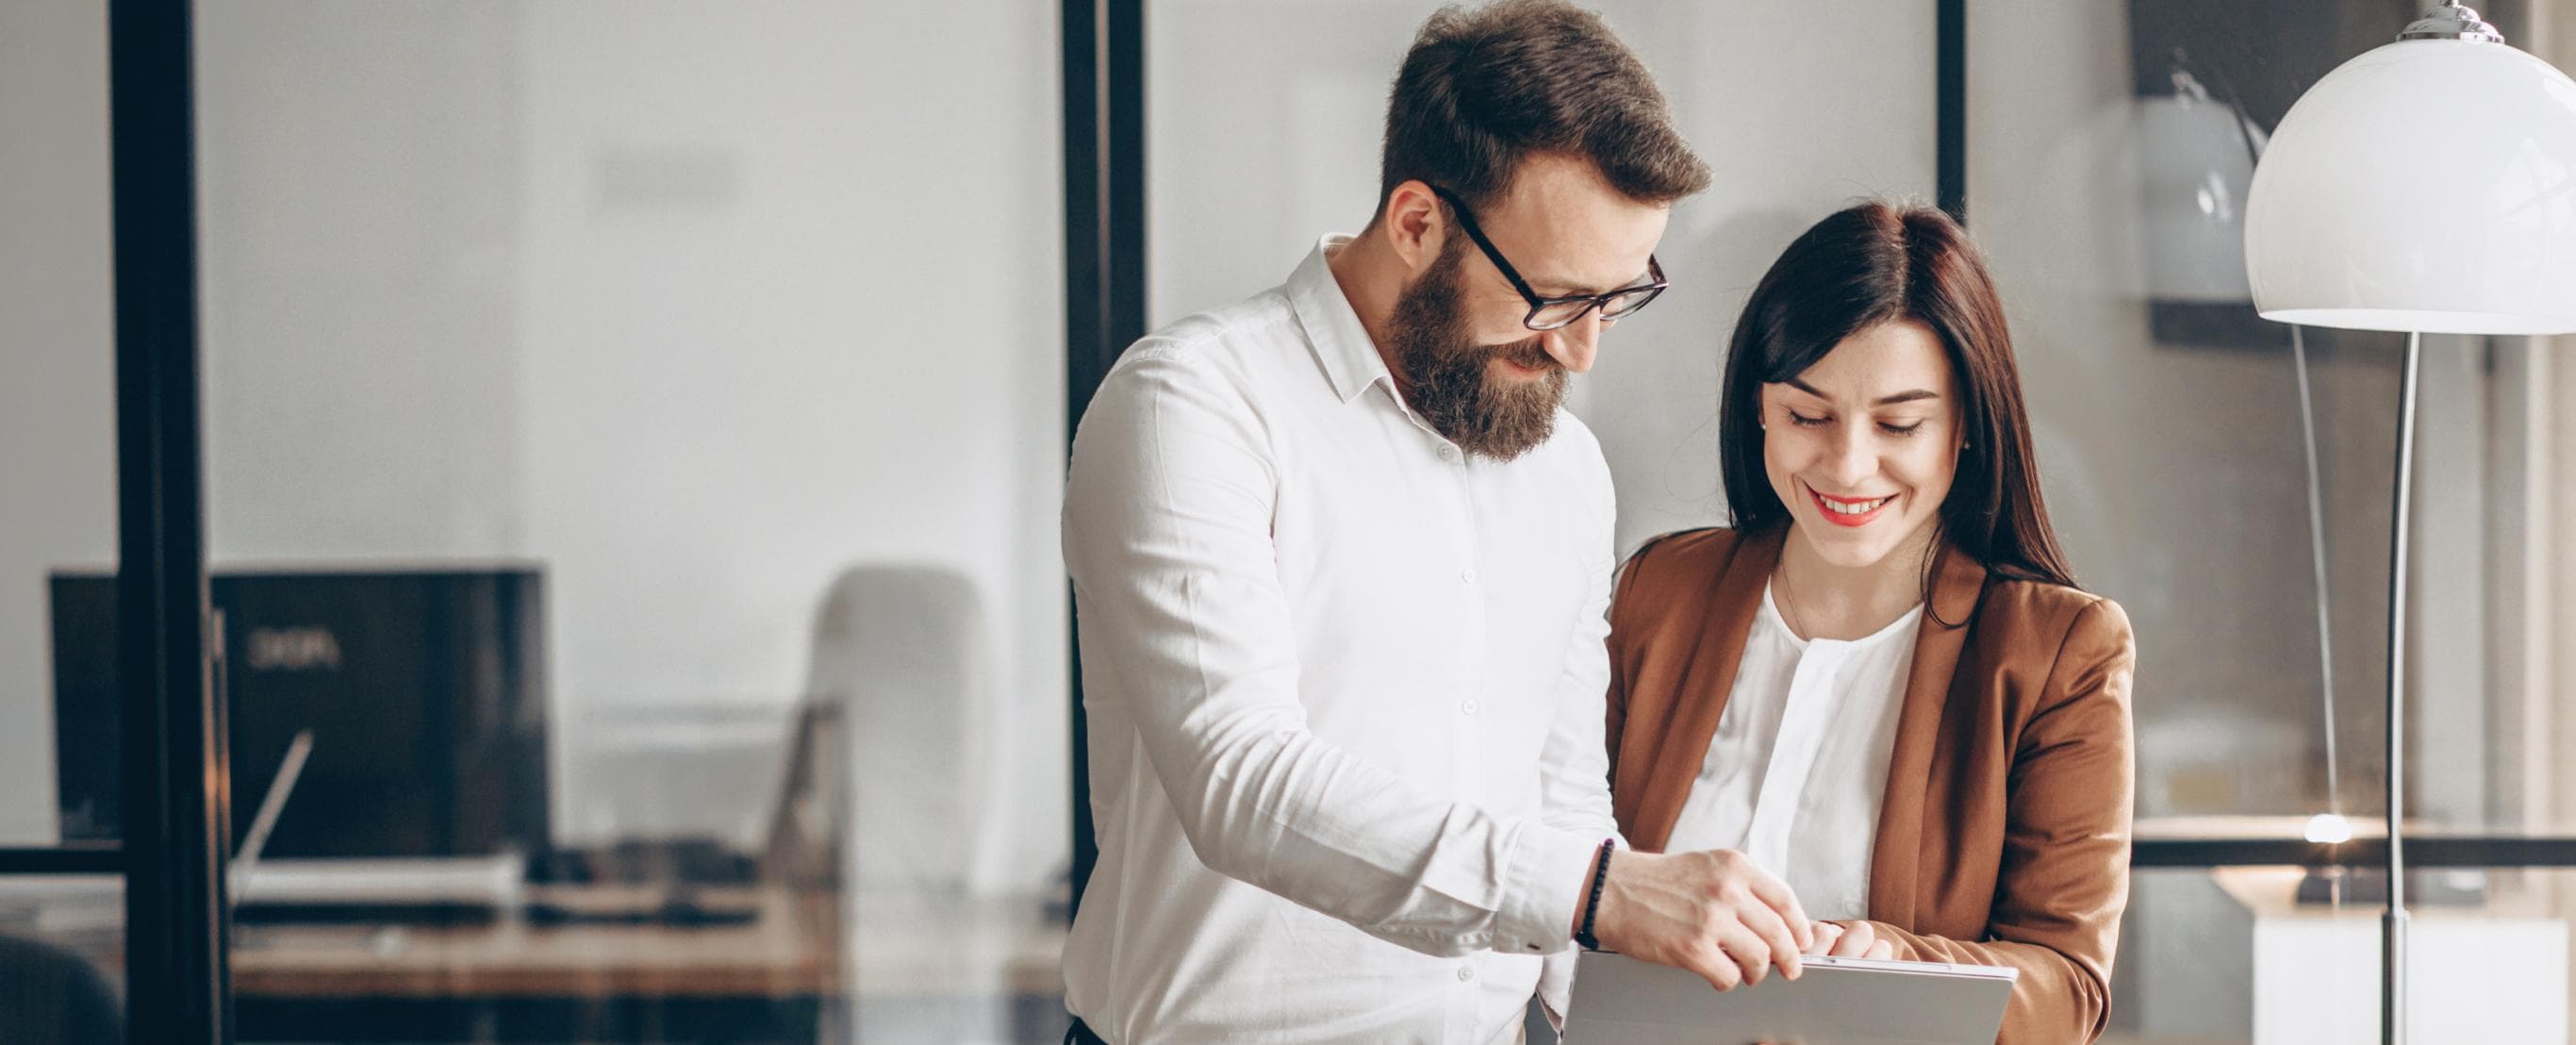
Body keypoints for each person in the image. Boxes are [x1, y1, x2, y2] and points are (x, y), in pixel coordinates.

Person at [1060, 2, 1822, 1041]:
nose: (1582, 352)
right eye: (1552, 299)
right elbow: (1239, 776)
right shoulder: (1193, 405)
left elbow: (1557, 799)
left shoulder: (1566, 471)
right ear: (1415, 222)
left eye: (1616, 297)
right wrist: (1599, 889)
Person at [1603, 200, 2137, 1043]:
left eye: (1900, 423)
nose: (1848, 465)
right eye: (1807, 416)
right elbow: (1564, 874)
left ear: (1965, 426)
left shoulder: (2057, 652)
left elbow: (2068, 988)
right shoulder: (1660, 592)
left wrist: (1897, 968)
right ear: (1759, 409)